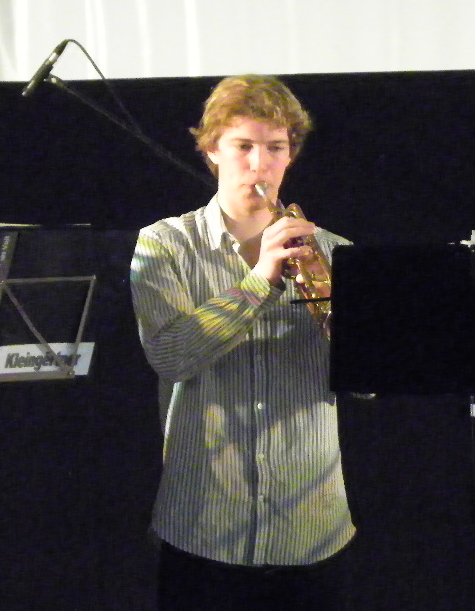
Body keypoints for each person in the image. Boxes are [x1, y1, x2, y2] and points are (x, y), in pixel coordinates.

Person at [129, 74, 354, 611]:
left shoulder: (335, 252)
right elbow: (170, 356)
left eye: (275, 147)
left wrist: (355, 331)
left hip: (312, 533)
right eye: (243, 146)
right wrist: (260, 280)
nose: (260, 164)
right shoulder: (163, 244)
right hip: (203, 529)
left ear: (290, 155)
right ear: (211, 150)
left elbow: (369, 383)